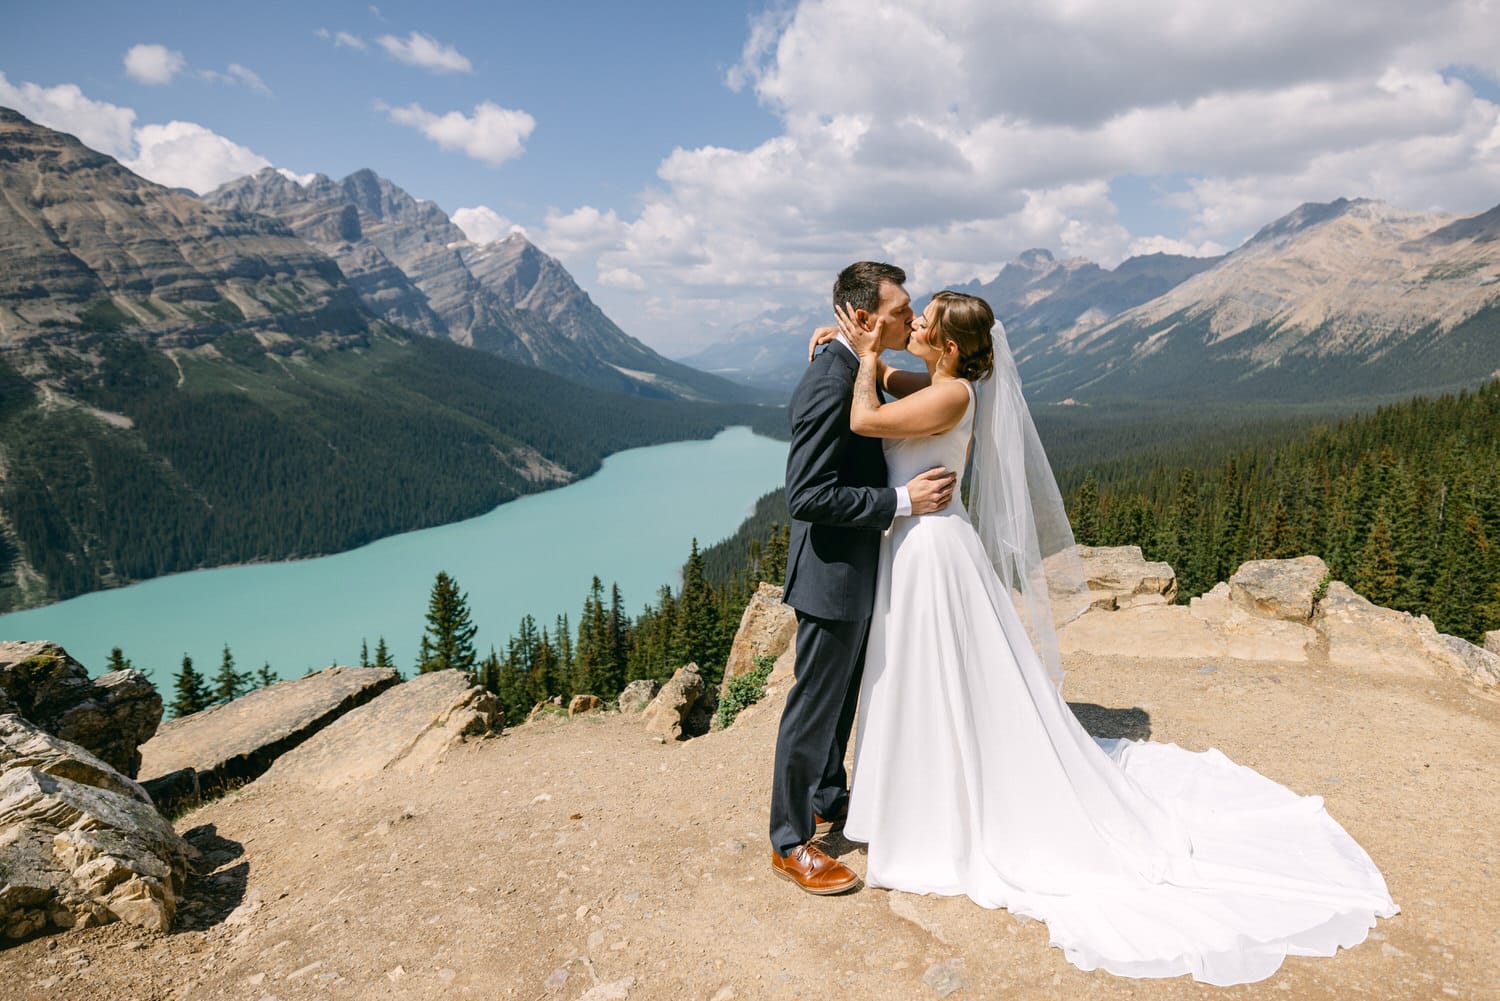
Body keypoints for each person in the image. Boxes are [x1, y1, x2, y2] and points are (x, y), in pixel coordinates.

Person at [819, 290, 1398, 985]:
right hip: (920, 545)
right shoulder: (942, 381)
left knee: (937, 675)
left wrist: (865, 357)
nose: (911, 324)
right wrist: (853, 348)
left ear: (944, 347)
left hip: (933, 550)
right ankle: (925, 791)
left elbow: (865, 415)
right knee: (929, 677)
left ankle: (942, 808)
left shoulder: (951, 398)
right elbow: (886, 380)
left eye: (924, 322)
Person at [770, 262, 958, 895]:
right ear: (866, 315)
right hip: (831, 573)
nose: (912, 316)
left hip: (857, 567)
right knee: (814, 705)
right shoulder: (831, 383)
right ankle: (791, 841)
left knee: (843, 697)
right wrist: (901, 502)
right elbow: (807, 494)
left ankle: (828, 797)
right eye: (902, 308)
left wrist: (861, 347)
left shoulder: (857, 363)